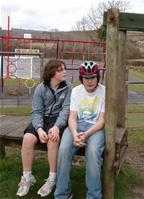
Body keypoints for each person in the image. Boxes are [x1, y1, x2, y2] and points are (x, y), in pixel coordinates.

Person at [16, 59, 72, 197]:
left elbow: (66, 110)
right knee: (28, 138)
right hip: (42, 119)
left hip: (58, 120)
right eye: (60, 70)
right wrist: (40, 129)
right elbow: (36, 111)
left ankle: (52, 178)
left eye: (64, 69)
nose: (65, 72)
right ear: (51, 73)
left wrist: (57, 127)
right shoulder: (40, 88)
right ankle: (27, 177)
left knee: (53, 139)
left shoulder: (69, 87)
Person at [54, 60, 105, 199]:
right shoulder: (76, 91)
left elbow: (101, 120)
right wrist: (75, 134)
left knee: (93, 152)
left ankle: (94, 196)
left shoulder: (104, 92)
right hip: (77, 125)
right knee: (64, 150)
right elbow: (72, 117)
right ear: (81, 78)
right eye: (86, 78)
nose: (89, 81)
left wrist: (86, 135)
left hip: (95, 128)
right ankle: (62, 194)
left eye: (92, 77)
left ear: (98, 77)